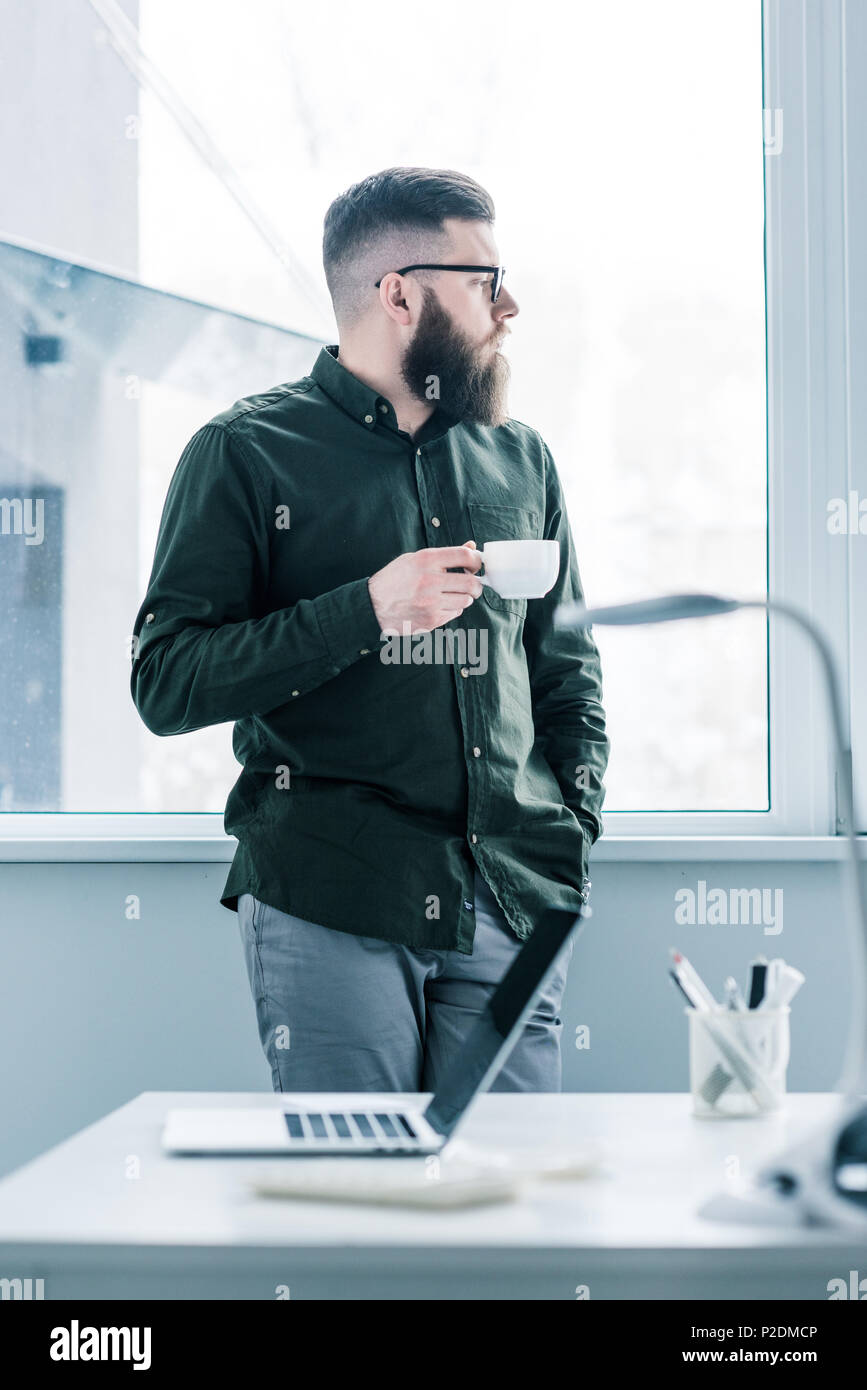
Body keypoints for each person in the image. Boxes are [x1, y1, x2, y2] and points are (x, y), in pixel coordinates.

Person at [130, 166, 609, 1095]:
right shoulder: (244, 454)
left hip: (512, 896)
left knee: (511, 1206)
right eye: (483, 280)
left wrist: (572, 837)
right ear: (398, 293)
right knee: (356, 1205)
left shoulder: (521, 458)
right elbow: (166, 682)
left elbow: (566, 674)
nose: (508, 306)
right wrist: (364, 610)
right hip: (332, 894)